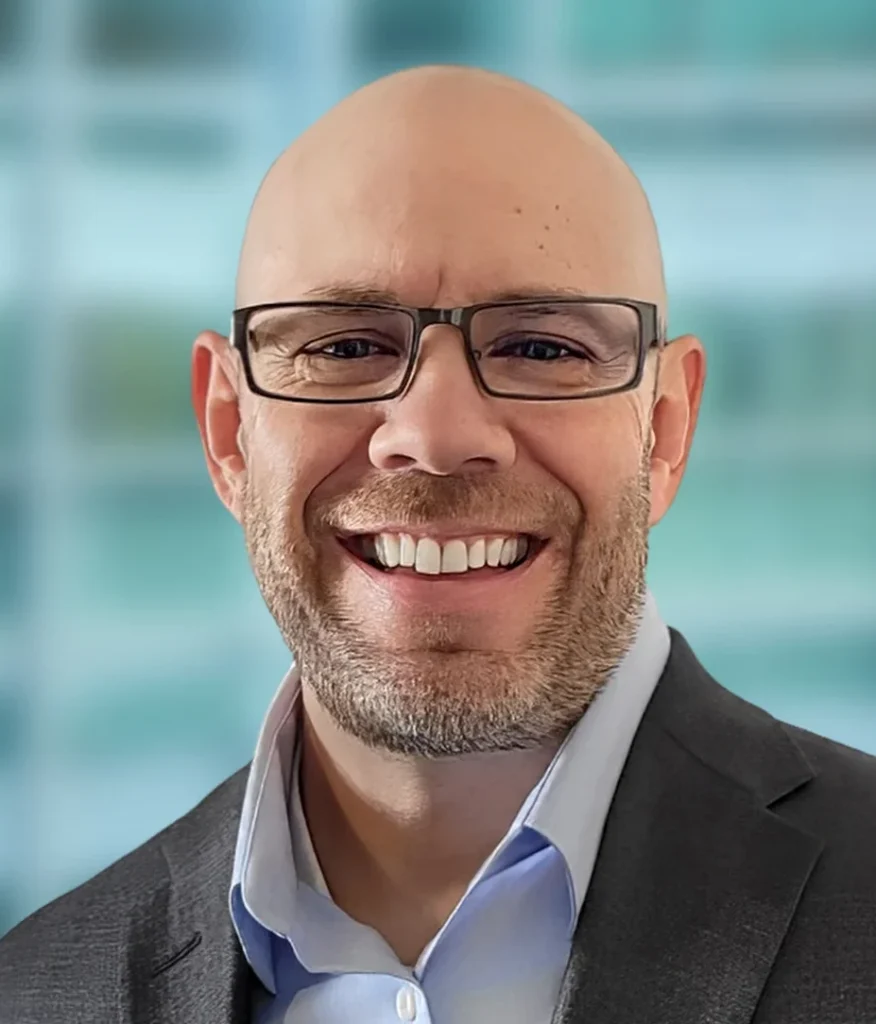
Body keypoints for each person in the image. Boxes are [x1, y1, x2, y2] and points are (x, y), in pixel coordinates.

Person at [1, 64, 874, 1024]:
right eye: (345, 347)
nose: (436, 434)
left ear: (664, 429)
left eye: (542, 348)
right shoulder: (36, 993)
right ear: (227, 433)